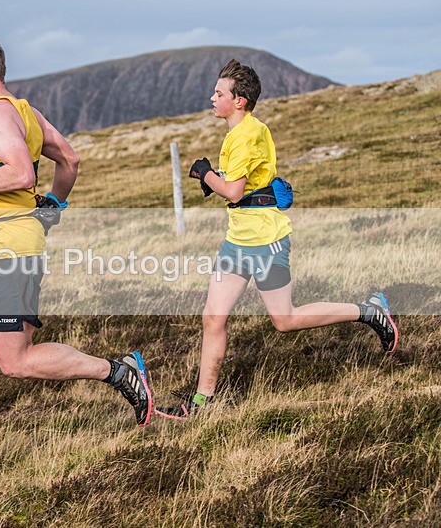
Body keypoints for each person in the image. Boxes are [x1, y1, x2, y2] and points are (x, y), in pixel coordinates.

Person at [0, 32, 154, 480]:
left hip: (9, 252)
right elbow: (68, 160)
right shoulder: (24, 112)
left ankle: (118, 371)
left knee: (15, 361)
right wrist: (54, 205)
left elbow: (20, 171)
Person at [157, 59, 398, 420]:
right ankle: (201, 403)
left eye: (219, 93)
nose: (212, 97)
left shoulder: (246, 134)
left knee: (284, 320)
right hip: (237, 240)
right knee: (213, 318)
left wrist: (206, 174)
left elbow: (235, 192)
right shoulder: (244, 131)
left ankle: (370, 311)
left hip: (265, 239)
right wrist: (218, 179)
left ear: (239, 100)